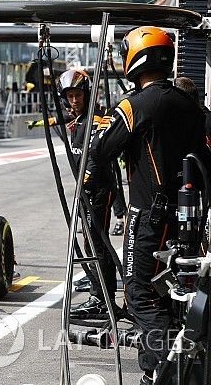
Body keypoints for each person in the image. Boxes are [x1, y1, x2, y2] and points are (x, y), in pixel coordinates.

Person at [85, 27, 208, 384]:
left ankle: (160, 372)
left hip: (149, 219)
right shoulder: (191, 104)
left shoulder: (134, 105)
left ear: (136, 57)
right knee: (173, 296)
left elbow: (100, 149)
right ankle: (170, 367)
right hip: (189, 216)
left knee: (141, 296)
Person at [50, 69, 121, 320]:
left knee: (98, 245)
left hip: (99, 190)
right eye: (69, 96)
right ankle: (100, 293)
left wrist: (85, 184)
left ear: (87, 93)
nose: (74, 100)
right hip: (89, 191)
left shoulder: (96, 119)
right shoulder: (78, 121)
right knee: (93, 243)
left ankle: (102, 299)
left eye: (78, 94)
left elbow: (94, 158)